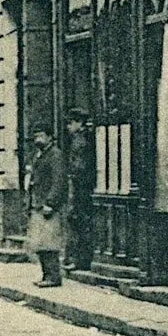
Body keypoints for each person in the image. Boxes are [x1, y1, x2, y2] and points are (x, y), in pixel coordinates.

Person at [25, 127, 66, 287]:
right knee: (40, 243)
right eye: (36, 136)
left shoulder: (55, 155)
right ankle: (46, 275)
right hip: (37, 204)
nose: (38, 139)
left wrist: (51, 203)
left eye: (41, 135)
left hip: (48, 206)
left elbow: (58, 181)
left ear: (50, 137)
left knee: (49, 243)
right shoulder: (39, 155)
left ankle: (53, 277)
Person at [63, 111, 96, 271]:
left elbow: (80, 165)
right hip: (81, 185)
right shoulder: (80, 138)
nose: (68, 127)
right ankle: (77, 259)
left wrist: (73, 179)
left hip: (81, 186)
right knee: (79, 221)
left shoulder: (80, 140)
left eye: (70, 123)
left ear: (79, 123)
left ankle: (80, 260)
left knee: (80, 221)